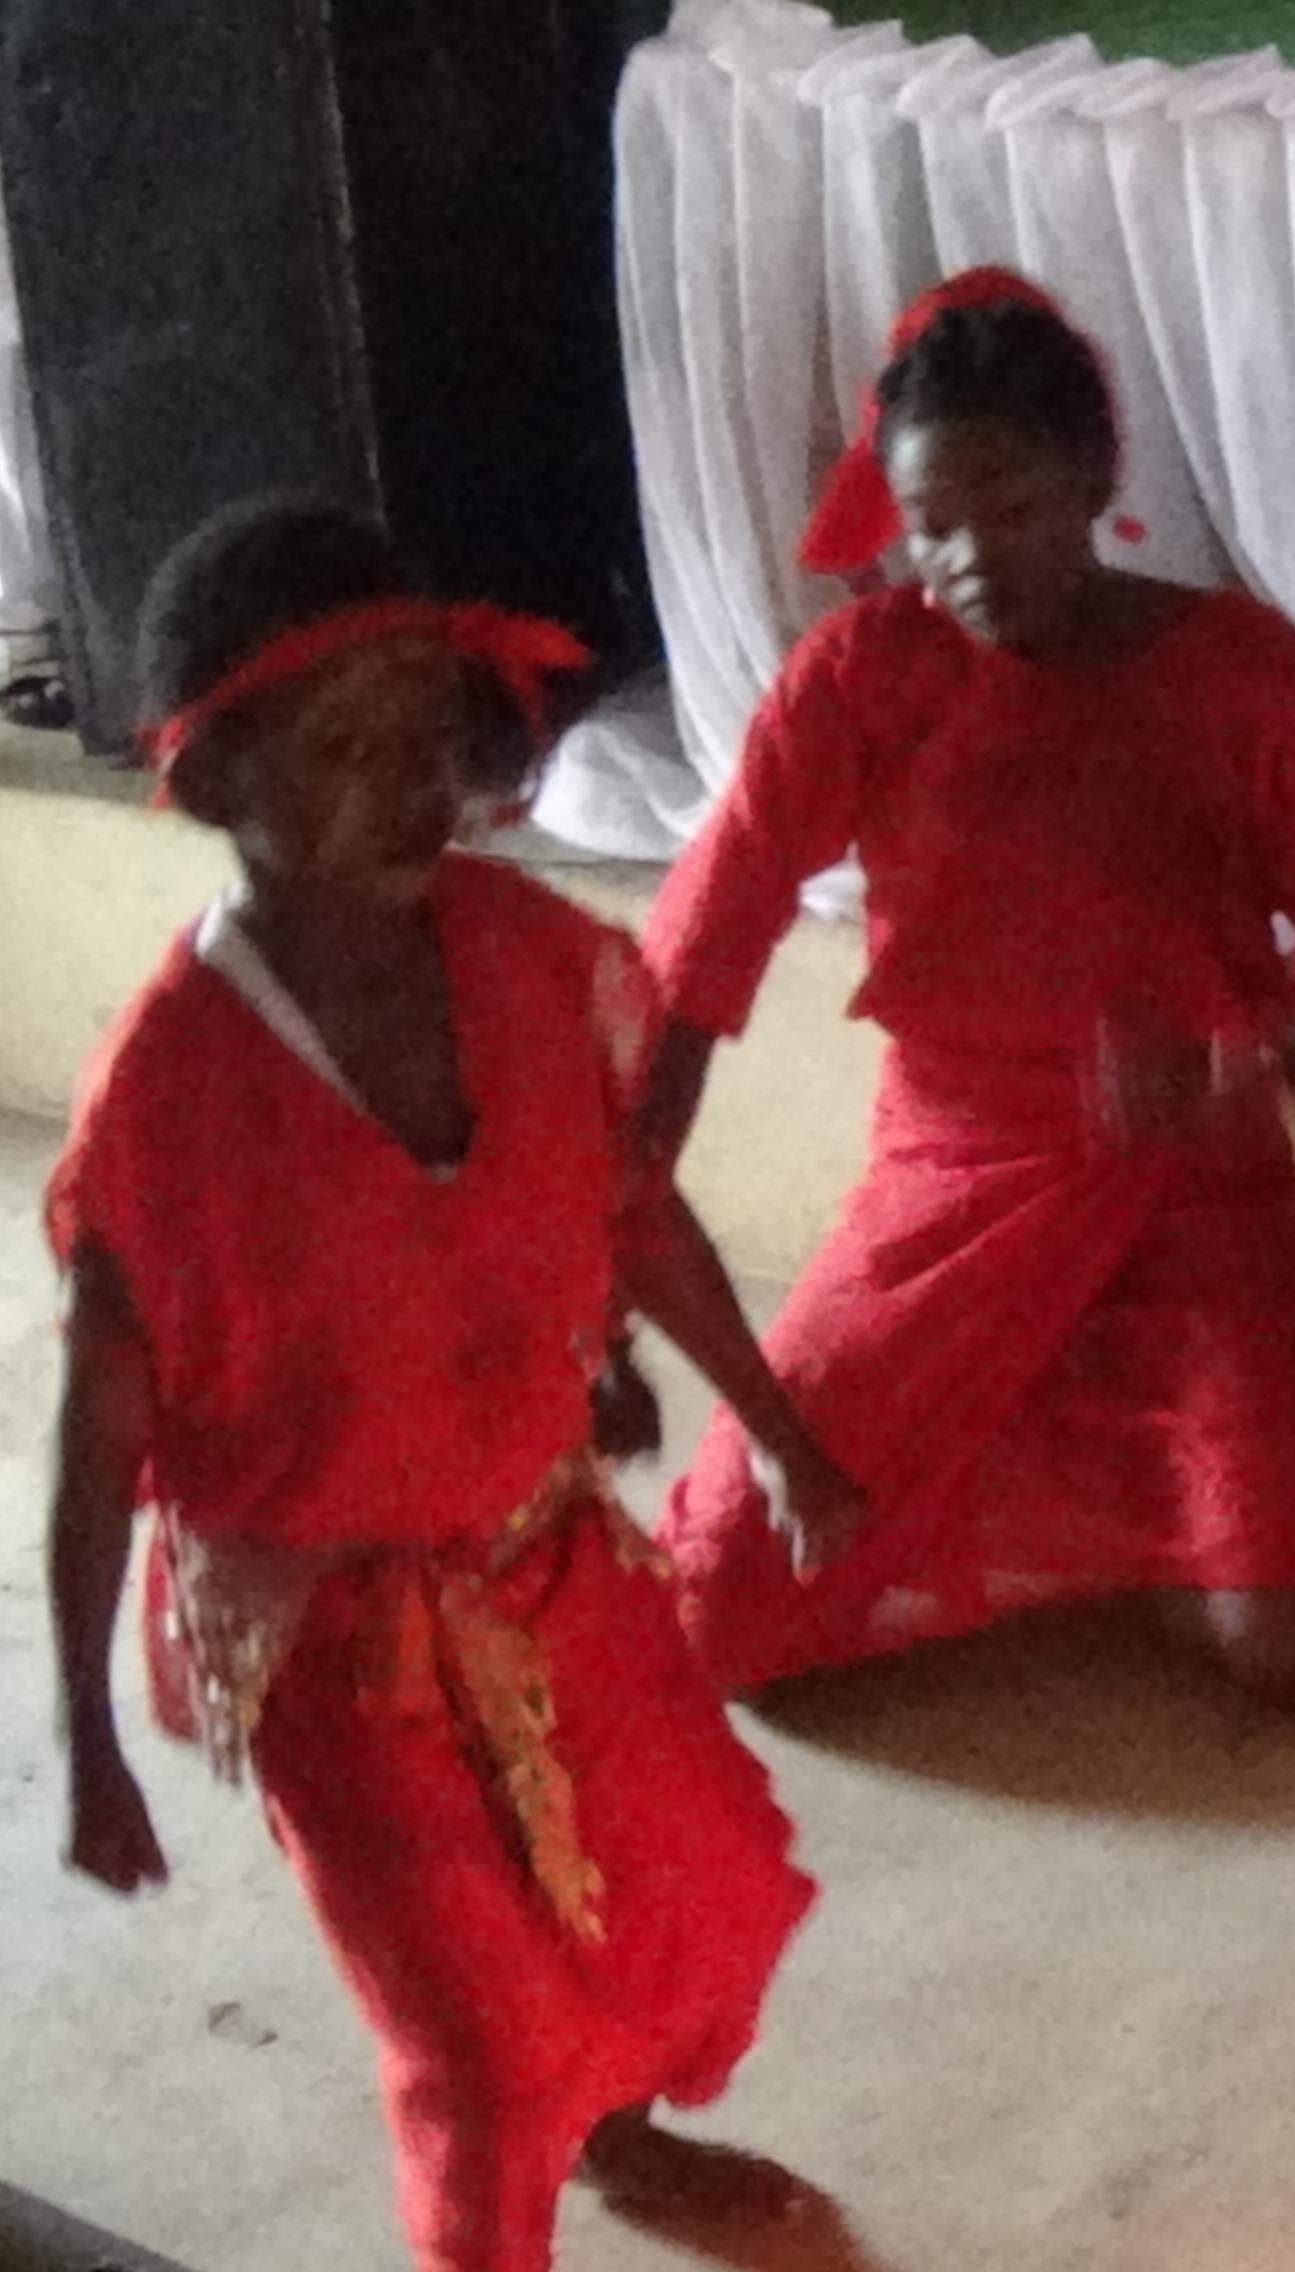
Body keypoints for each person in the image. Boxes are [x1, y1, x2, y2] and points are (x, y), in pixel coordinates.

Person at [50, 499, 868, 2272]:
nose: (414, 784)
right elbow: (101, 1426)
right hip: (335, 1638)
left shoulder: (530, 958)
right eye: (345, 746)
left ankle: (620, 2138)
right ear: (215, 780)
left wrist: (778, 1433)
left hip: (547, 1550)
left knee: (674, 1897)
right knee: (481, 2061)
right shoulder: (170, 1093)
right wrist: (90, 1734)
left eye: (429, 728)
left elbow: (625, 1213)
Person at [637, 267, 1295, 1705]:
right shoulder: (858, 675)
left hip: (1196, 1196)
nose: (969, 562)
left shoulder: (1239, 667)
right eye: (930, 528)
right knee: (712, 1608)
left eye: (1012, 510)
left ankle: (1104, 1490)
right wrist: (622, 1181)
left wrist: (1250, 1068)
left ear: (1095, 478)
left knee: (1293, 1652)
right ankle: (1093, 1489)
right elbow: (709, 931)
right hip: (949, 1184)